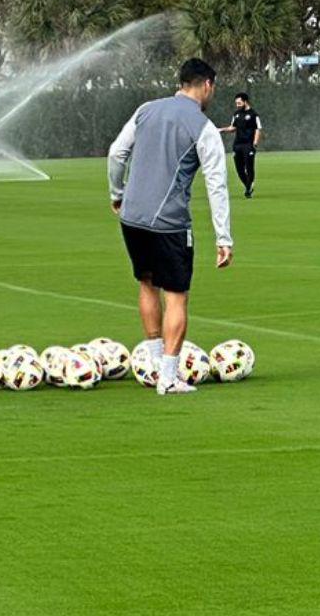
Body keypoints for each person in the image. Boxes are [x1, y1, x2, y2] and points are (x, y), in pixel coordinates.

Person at [107, 58, 233, 395]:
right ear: (207, 85)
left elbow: (116, 153)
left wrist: (118, 194)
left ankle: (152, 365)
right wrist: (224, 236)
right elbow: (216, 184)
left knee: (147, 284)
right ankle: (168, 377)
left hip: (132, 217)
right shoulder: (203, 126)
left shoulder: (146, 109)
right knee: (176, 296)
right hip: (168, 223)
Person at [218, 92, 262, 198]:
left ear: (245, 102)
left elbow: (258, 129)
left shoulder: (253, 115)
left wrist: (255, 143)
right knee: (239, 169)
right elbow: (233, 127)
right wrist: (221, 130)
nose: (237, 105)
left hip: (248, 144)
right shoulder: (236, 114)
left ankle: (248, 189)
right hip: (238, 145)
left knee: (249, 167)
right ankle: (249, 185)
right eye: (236, 103)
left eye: (239, 103)